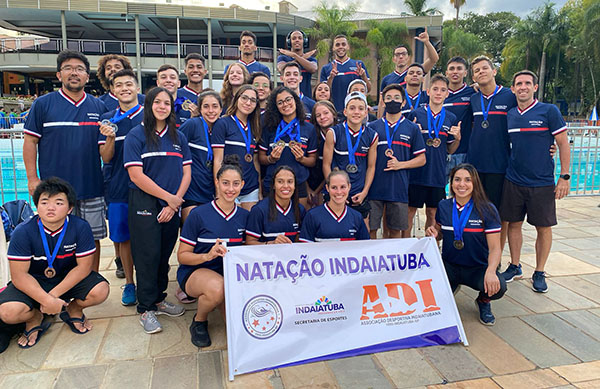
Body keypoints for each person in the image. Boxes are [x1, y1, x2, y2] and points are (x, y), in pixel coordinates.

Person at [23, 50, 108, 273]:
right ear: (59, 75)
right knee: (55, 239)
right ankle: (58, 283)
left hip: (90, 186)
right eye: (68, 68)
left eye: (80, 69)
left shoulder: (98, 108)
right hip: (54, 189)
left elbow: (105, 153)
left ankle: (90, 282)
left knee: (91, 239)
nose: (74, 73)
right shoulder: (43, 104)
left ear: (87, 77)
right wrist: (32, 179)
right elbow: (30, 142)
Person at [0, 177, 109, 349]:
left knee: (101, 290)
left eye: (59, 203)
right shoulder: (23, 232)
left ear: (70, 208)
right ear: (37, 205)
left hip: (67, 278)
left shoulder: (80, 227)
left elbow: (83, 268)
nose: (50, 208)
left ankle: (73, 309)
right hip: (34, 281)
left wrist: (52, 297)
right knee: (7, 312)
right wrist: (45, 299)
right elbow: (19, 276)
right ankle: (34, 317)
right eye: (44, 202)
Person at [123, 87, 191, 334]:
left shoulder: (177, 136)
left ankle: (159, 299)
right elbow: (136, 175)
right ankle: (145, 308)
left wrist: (176, 201)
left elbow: (186, 172)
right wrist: (169, 199)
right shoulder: (136, 135)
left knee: (164, 254)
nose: (162, 106)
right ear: (149, 104)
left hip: (172, 202)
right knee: (147, 256)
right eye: (158, 102)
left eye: (167, 103)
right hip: (145, 202)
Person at [500, 70, 571, 293]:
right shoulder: (510, 114)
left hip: (541, 182)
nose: (523, 87)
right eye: (518, 83)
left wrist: (564, 177)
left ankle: (539, 271)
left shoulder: (549, 111)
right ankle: (514, 265)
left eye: (527, 83)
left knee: (543, 227)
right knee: (513, 224)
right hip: (514, 179)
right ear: (513, 89)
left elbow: (562, 143)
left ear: (535, 87)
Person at [177, 155, 249, 347]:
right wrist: (207, 255)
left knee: (240, 332)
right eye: (225, 183)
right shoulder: (198, 215)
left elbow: (251, 250)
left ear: (242, 185)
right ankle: (199, 320)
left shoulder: (245, 216)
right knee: (218, 288)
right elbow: (182, 256)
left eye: (235, 184)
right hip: (196, 272)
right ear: (216, 182)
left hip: (230, 275)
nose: (230, 189)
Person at [426, 164, 505, 325]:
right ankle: (451, 286)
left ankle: (483, 300)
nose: (462, 184)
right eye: (457, 180)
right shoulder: (444, 206)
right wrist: (434, 233)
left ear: (475, 183)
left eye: (467, 180)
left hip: (477, 267)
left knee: (499, 287)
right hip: (450, 265)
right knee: (428, 290)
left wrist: (491, 272)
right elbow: (441, 233)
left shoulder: (487, 209)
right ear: (451, 182)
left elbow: (495, 248)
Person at [98, 69, 143, 307]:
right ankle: (129, 282)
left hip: (147, 188)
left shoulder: (151, 115)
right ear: (113, 91)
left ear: (137, 88)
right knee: (123, 238)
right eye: (119, 85)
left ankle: (148, 282)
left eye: (129, 84)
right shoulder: (107, 119)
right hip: (118, 187)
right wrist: (110, 138)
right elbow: (106, 158)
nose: (124, 88)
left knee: (147, 236)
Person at [368, 83, 426, 239]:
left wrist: (401, 165)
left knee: (395, 231)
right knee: (371, 229)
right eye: (388, 98)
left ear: (403, 102)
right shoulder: (372, 127)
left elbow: (422, 159)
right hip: (374, 187)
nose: (392, 101)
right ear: (383, 102)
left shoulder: (412, 128)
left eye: (396, 98)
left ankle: (392, 263)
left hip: (398, 188)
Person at [406, 74, 461, 236]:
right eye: (435, 89)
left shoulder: (450, 118)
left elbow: (450, 149)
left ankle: (431, 250)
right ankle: (407, 248)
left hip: (437, 174)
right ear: (428, 91)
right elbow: (408, 146)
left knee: (433, 214)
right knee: (410, 211)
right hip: (416, 174)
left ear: (447, 94)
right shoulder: (415, 114)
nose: (438, 93)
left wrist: (458, 138)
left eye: (443, 90)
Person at [467, 55, 517, 211]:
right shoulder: (473, 99)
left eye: (484, 68)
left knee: (497, 213)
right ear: (474, 77)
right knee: (475, 210)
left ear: (494, 71)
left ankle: (498, 238)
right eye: (477, 70)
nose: (481, 72)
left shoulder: (510, 96)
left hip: (499, 165)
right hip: (475, 165)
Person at [322, 92, 377, 225]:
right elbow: (326, 165)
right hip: (337, 193)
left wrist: (364, 192)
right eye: (352, 108)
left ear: (366, 112)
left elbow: (371, 167)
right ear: (345, 111)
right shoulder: (333, 132)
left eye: (360, 108)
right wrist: (334, 191)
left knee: (362, 233)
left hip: (358, 193)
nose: (356, 112)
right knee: (333, 230)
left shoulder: (372, 135)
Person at [259, 86, 317, 208]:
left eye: (288, 99)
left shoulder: (309, 128)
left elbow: (312, 161)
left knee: (298, 221)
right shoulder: (269, 127)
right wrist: (271, 159)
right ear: (276, 107)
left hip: (298, 183)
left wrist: (302, 159)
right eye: (280, 102)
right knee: (273, 221)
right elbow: (261, 158)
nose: (285, 104)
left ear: (295, 100)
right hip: (273, 183)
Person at [212, 85, 262, 210]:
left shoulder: (255, 127)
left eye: (252, 100)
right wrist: (218, 190)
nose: (248, 103)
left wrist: (259, 188)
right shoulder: (223, 123)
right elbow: (218, 159)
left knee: (249, 226)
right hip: (229, 186)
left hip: (250, 187)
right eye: (244, 98)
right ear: (236, 99)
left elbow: (255, 161)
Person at [180, 90, 222, 221]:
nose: (211, 111)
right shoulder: (192, 124)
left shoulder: (221, 128)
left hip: (209, 191)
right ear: (199, 109)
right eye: (206, 106)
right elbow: (174, 146)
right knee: (191, 232)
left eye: (215, 106)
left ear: (221, 109)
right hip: (191, 191)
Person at [299, 169, 370, 242]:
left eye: (343, 187)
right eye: (334, 187)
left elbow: (364, 248)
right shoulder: (312, 215)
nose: (339, 192)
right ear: (327, 188)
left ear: (349, 187)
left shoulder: (357, 217)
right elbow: (305, 248)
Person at [246, 166, 305, 244]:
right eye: (280, 181)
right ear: (273, 185)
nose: (286, 186)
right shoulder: (259, 210)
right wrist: (272, 244)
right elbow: (249, 242)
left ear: (295, 186)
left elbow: (300, 241)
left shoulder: (300, 210)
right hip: (266, 255)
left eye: (290, 181)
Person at [320, 35, 371, 112]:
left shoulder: (358, 65)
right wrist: (331, 78)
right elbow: (324, 94)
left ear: (348, 47)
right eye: (337, 45)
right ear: (333, 48)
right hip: (334, 112)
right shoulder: (326, 68)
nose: (340, 47)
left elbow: (368, 89)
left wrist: (363, 76)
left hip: (354, 111)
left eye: (343, 44)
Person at [444, 56, 475, 176]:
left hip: (463, 153)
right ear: (447, 73)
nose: (455, 72)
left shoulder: (472, 94)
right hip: (441, 152)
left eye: (459, 68)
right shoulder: (440, 94)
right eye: (451, 69)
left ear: (465, 72)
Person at [308, 101, 338, 208]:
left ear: (333, 114)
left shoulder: (341, 133)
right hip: (311, 183)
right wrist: (311, 190)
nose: (322, 117)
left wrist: (319, 190)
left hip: (331, 183)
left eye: (326, 113)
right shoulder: (312, 136)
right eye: (318, 115)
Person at [277, 30, 318, 97]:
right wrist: (302, 58)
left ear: (304, 41)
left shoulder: (311, 59)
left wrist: (295, 56)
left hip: (305, 98)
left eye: (300, 38)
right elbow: (282, 69)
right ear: (290, 42)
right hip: (287, 98)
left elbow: (313, 69)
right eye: (294, 38)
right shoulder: (282, 58)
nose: (297, 40)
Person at [176, 53, 208, 124]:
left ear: (205, 71)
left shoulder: (210, 97)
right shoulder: (176, 95)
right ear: (185, 71)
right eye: (191, 67)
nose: (195, 70)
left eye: (199, 67)